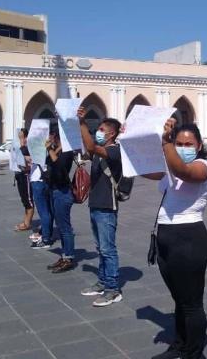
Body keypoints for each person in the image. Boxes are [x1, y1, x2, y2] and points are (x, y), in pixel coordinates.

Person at [142, 119, 207, 359]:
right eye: (179, 143)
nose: (183, 147)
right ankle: (181, 345)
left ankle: (193, 352)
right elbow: (144, 169)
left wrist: (166, 142)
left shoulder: (203, 166)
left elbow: (184, 171)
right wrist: (130, 141)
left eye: (188, 143)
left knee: (191, 302)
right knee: (180, 299)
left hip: (189, 239)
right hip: (166, 237)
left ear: (199, 145)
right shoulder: (170, 165)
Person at [76, 107, 124, 307]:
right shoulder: (97, 150)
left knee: (107, 249)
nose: (99, 132)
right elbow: (87, 149)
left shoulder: (113, 150)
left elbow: (93, 147)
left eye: (102, 129)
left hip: (107, 207)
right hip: (95, 204)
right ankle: (103, 282)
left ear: (112, 133)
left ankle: (113, 289)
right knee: (100, 247)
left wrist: (82, 122)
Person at [44, 129, 77, 273]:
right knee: (61, 226)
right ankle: (64, 256)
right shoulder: (57, 150)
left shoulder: (67, 152)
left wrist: (51, 150)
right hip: (55, 191)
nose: (50, 138)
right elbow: (48, 163)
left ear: (57, 137)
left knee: (65, 227)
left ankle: (68, 257)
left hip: (63, 192)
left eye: (52, 136)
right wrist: (51, 150)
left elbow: (60, 170)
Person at [13, 128, 35, 232]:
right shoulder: (19, 143)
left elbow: (28, 158)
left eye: (21, 135)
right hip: (19, 173)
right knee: (24, 199)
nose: (19, 136)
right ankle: (25, 221)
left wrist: (22, 140)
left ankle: (27, 223)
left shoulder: (28, 143)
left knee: (28, 200)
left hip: (26, 174)